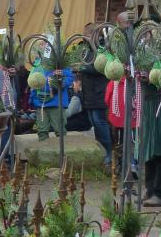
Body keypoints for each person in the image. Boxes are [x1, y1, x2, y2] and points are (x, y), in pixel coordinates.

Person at [78, 23, 112, 165]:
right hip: (89, 92)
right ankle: (101, 152)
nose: (84, 37)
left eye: (86, 34)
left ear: (95, 35)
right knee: (94, 122)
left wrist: (82, 67)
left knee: (100, 122)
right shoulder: (86, 48)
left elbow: (100, 67)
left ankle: (108, 152)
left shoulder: (102, 48)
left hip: (99, 91)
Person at [141, 79, 161, 206]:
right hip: (147, 103)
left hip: (157, 102)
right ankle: (150, 191)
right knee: (148, 150)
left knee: (159, 149)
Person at [29, 66, 74, 141]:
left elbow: (69, 77)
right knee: (42, 131)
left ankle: (61, 148)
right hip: (40, 103)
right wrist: (32, 99)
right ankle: (44, 147)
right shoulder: (37, 64)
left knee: (60, 130)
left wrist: (60, 80)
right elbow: (32, 82)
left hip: (56, 102)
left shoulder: (59, 62)